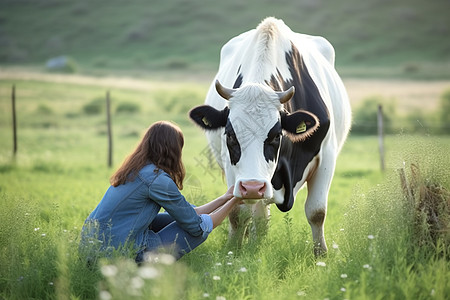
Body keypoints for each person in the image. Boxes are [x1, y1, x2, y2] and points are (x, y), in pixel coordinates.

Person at [80, 121, 241, 263]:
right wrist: (235, 201)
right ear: (173, 150)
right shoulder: (157, 180)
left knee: (180, 218)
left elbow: (190, 213)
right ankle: (143, 265)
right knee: (198, 230)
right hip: (119, 254)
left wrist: (226, 197)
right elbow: (197, 227)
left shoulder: (136, 170)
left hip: (92, 248)